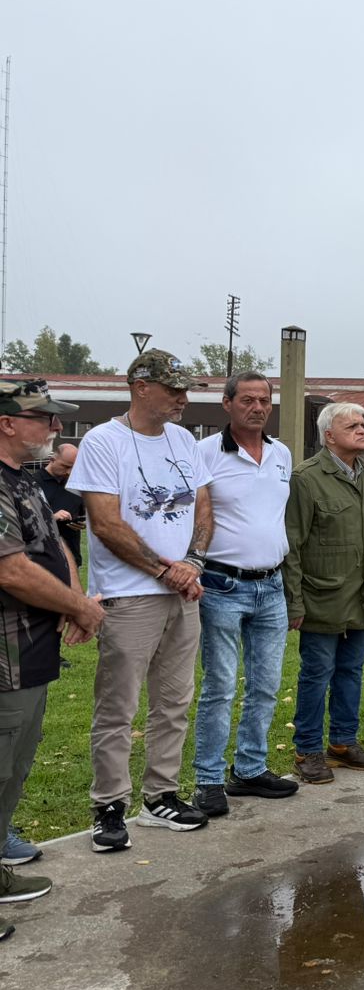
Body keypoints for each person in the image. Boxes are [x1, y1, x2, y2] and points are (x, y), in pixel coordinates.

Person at [68, 349, 214, 850]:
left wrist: (192, 562)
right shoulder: (103, 441)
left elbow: (203, 505)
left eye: (184, 389)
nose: (182, 398)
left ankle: (161, 796)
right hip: (130, 595)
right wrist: (163, 569)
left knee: (174, 702)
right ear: (140, 386)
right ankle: (108, 806)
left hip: (184, 590)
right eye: (173, 389)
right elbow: (106, 524)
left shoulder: (183, 440)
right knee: (118, 706)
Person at [0, 380, 103, 928]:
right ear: (7, 422)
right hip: (5, 654)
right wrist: (81, 609)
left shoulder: (27, 480)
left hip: (29, 651)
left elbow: (52, 546)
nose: (56, 427)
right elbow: (10, 569)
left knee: (13, 765)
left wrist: (73, 596)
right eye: (44, 417)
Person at [191, 372, 299, 817]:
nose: (257, 407)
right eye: (248, 400)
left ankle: (250, 769)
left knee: (266, 686)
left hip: (271, 585)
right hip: (221, 585)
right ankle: (208, 780)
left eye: (264, 401)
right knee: (219, 686)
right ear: (227, 403)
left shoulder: (281, 454)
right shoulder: (203, 454)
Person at [284, 402, 364, 785]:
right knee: (317, 673)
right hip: (322, 595)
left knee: (351, 671)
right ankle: (308, 750)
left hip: (363, 593)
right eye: (354, 425)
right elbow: (292, 544)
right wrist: (294, 601)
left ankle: (344, 744)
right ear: (329, 435)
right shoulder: (306, 478)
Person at [35, 444, 84, 567]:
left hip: (72, 556)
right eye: (65, 466)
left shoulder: (76, 485)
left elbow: (82, 512)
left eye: (73, 468)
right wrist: (52, 517)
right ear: (52, 460)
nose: (69, 472)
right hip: (42, 558)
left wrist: (83, 522)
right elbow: (22, 521)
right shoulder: (32, 483)